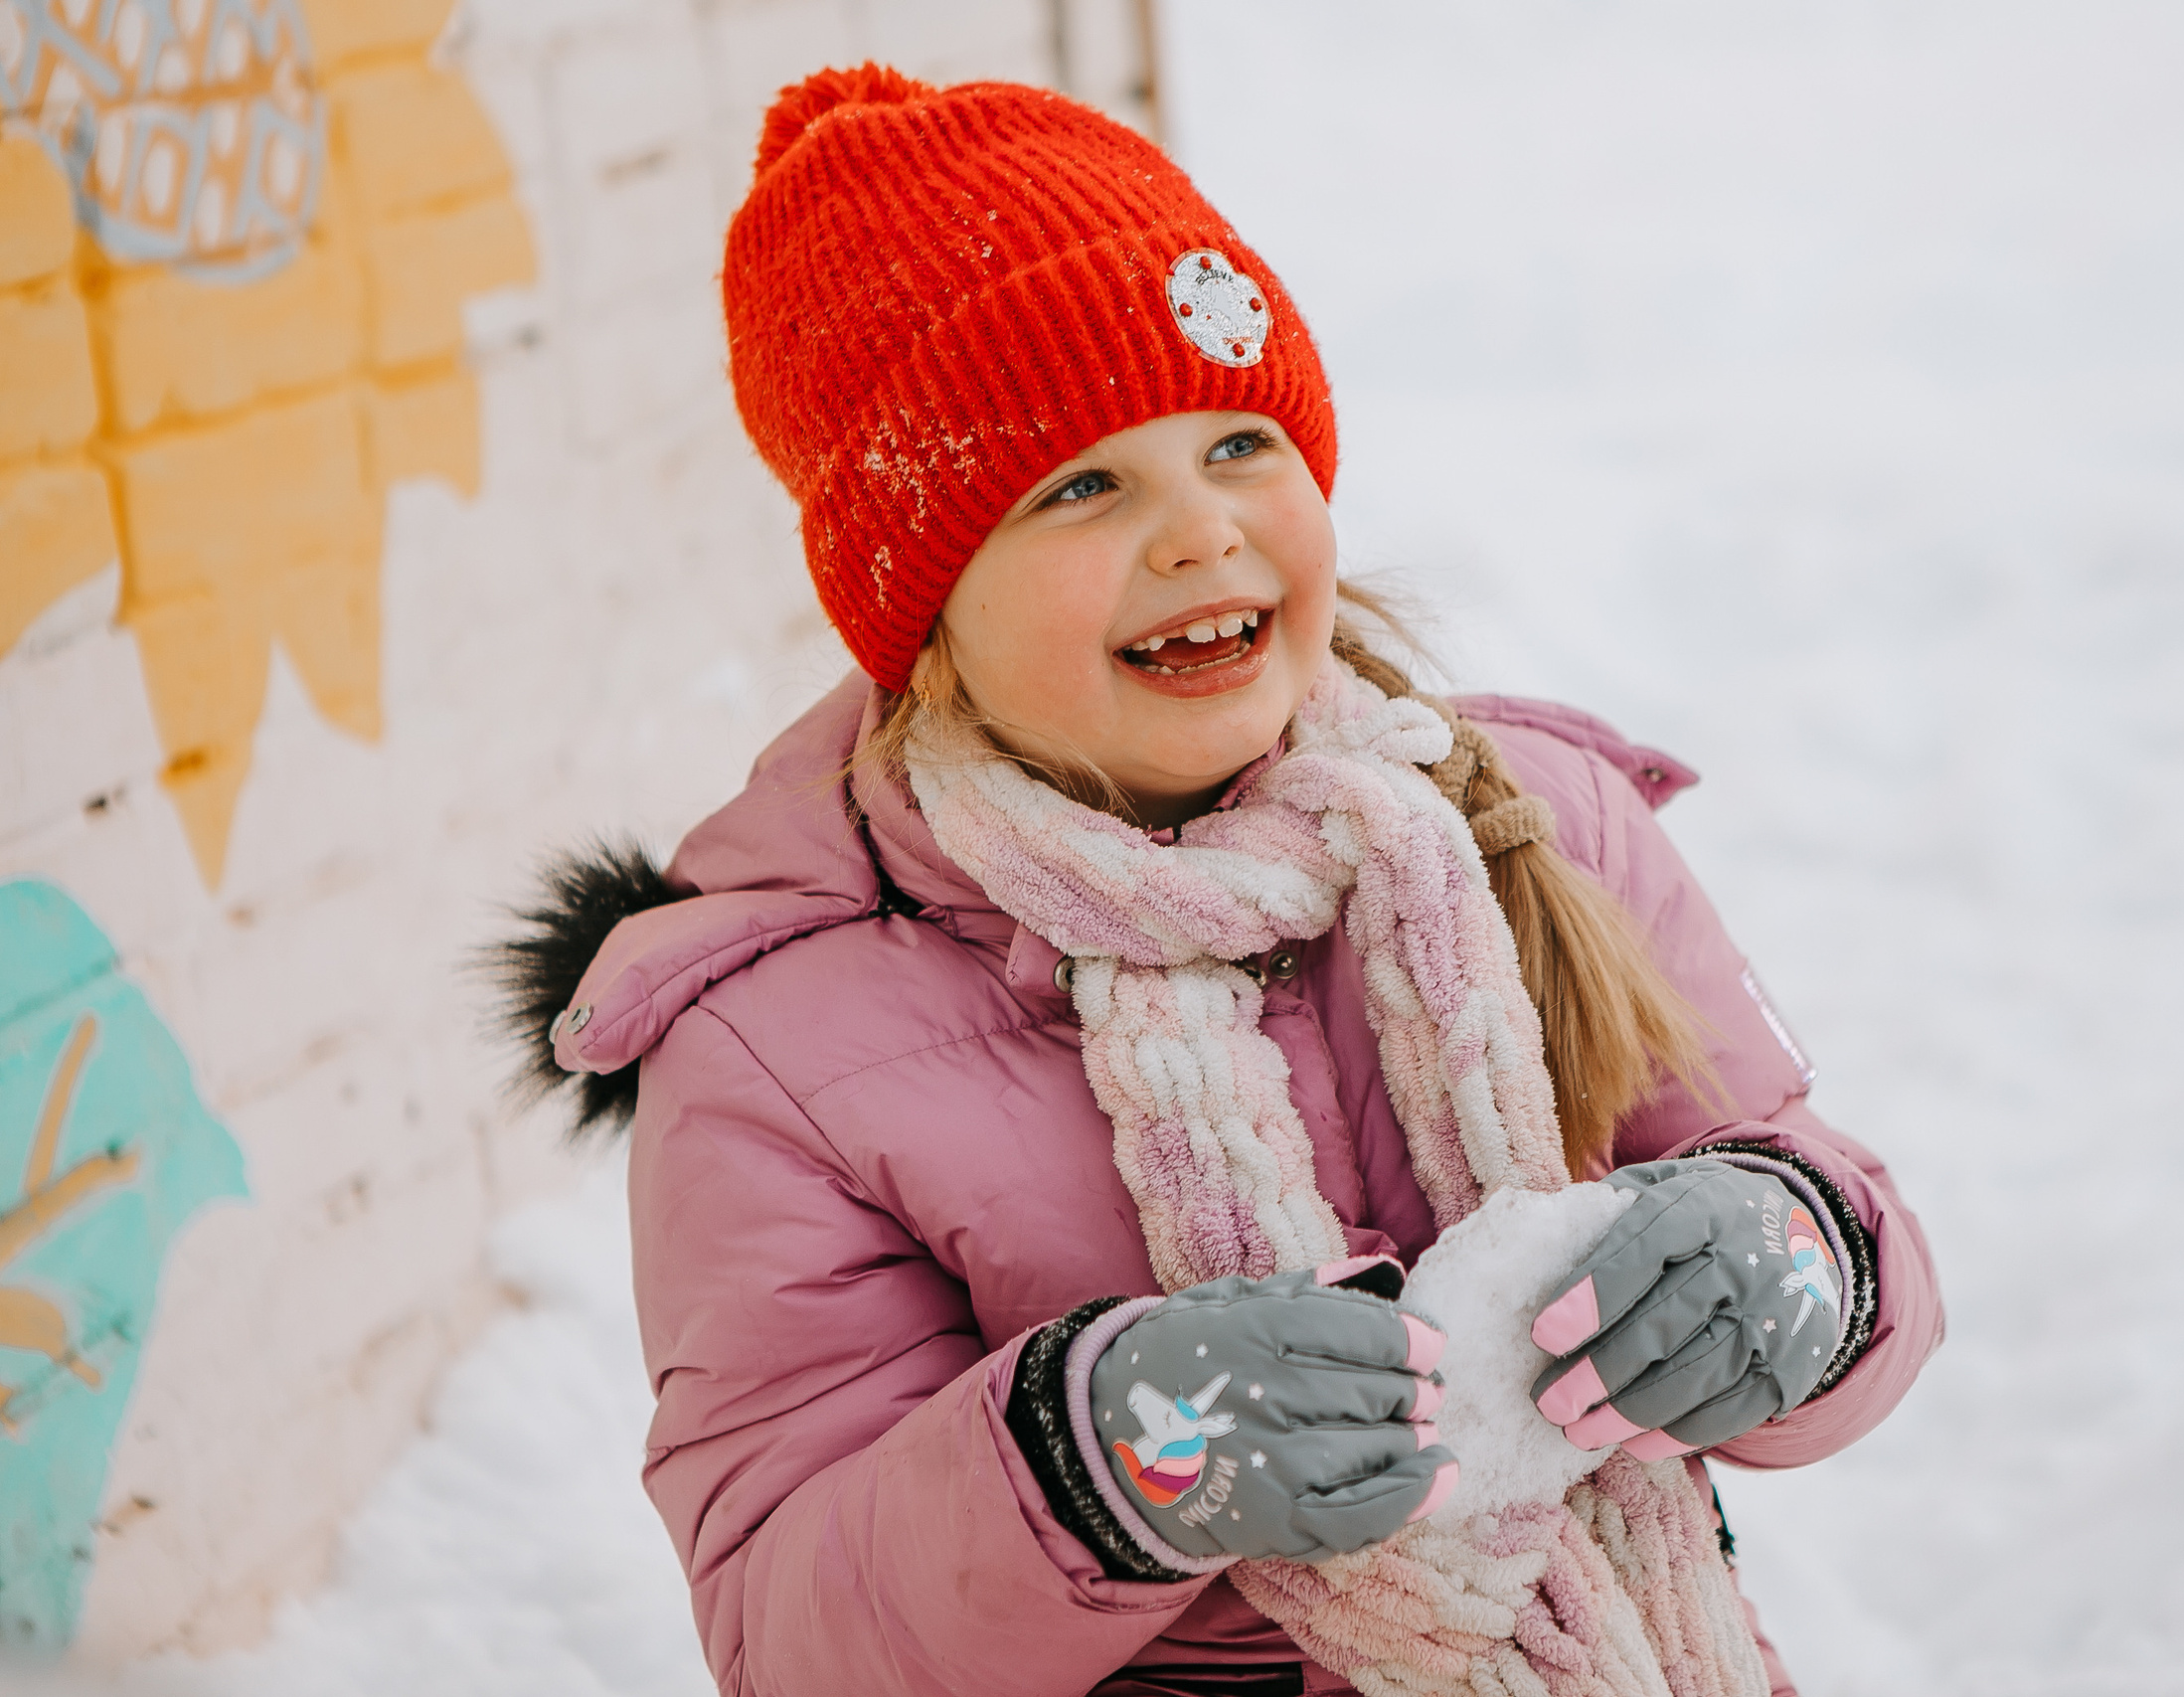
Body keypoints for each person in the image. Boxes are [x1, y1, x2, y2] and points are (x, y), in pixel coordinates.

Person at [495, 64, 1942, 1697]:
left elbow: (1837, 1206)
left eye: (1241, 442)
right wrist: (1100, 1459)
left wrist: (1797, 1260)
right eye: (1081, 486)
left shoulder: (1530, 820)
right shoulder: (779, 1046)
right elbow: (791, 1630)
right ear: (921, 597)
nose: (1200, 534)